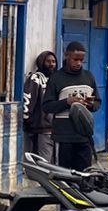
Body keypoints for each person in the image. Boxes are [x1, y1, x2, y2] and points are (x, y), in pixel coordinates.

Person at [42, 41, 102, 169]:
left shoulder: (88, 76)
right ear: (66, 55)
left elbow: (98, 102)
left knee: (85, 173)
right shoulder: (56, 78)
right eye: (75, 59)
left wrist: (90, 104)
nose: (78, 63)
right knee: (64, 173)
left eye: (81, 60)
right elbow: (46, 106)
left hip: (84, 136)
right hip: (64, 137)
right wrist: (67, 102)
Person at [20, 51, 58, 163]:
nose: (51, 64)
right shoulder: (35, 79)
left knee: (55, 162)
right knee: (43, 163)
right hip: (42, 128)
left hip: (57, 129)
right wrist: (27, 120)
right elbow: (28, 101)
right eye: (48, 61)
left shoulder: (56, 79)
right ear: (41, 62)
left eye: (54, 61)